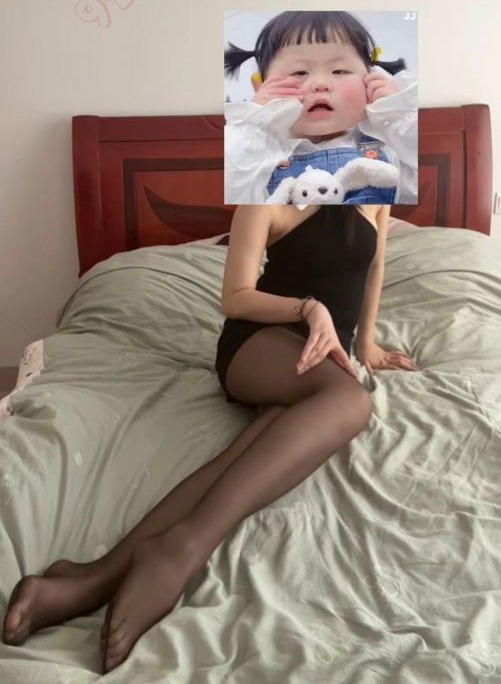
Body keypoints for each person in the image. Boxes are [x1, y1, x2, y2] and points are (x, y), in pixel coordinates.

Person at [2, 203, 419, 674]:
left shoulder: (372, 178)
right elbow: (235, 298)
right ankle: (184, 547)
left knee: (254, 448)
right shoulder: (269, 191)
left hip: (321, 360)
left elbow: (375, 263)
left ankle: (90, 579)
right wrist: (309, 309)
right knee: (351, 401)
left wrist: (366, 344)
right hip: (260, 345)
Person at [224, 10, 418, 205]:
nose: (320, 84)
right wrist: (256, 122)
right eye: (300, 72)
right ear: (261, 87)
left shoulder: (388, 144)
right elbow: (233, 191)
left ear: (371, 79)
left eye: (339, 71)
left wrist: (396, 112)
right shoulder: (259, 154)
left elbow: (421, 187)